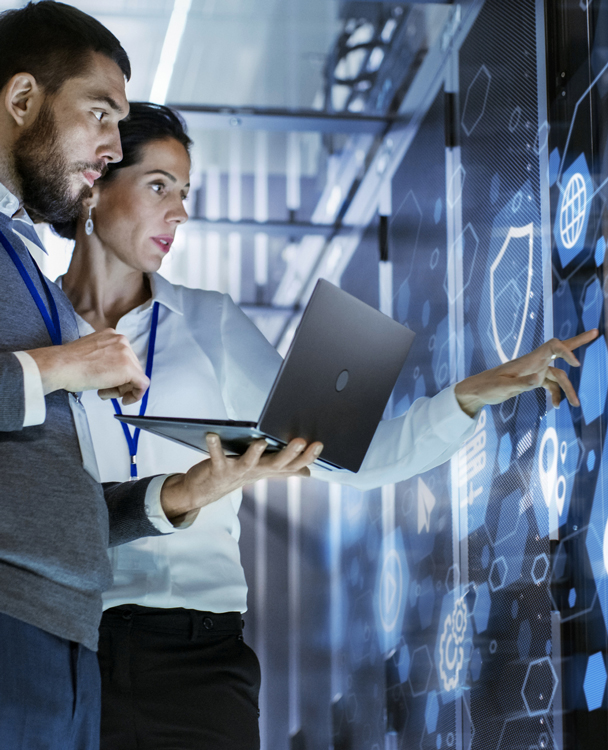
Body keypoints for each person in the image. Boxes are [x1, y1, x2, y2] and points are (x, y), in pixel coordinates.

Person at [55, 100, 597, 750]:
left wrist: (472, 395)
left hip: (198, 656)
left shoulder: (211, 323)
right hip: (68, 647)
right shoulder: (35, 333)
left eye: (186, 193)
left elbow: (352, 459)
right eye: (159, 186)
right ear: (97, 182)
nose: (180, 212)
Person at [0, 4, 322, 749]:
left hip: (66, 632)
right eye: (100, 114)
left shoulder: (22, 266)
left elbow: (55, 498)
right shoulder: (50, 315)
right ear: (22, 101)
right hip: (27, 621)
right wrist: (64, 365)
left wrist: (180, 496)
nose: (108, 147)